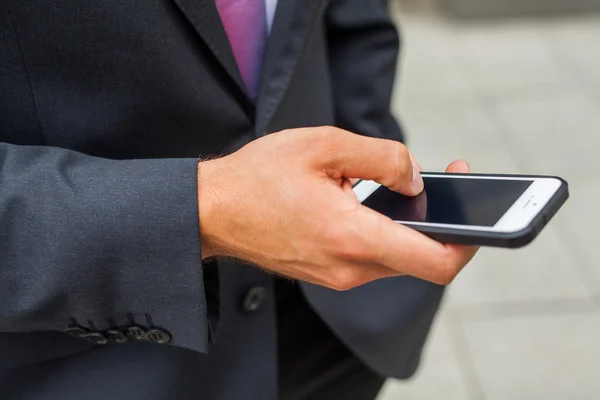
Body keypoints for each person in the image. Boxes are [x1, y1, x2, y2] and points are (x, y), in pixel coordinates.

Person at [0, 0, 477, 399]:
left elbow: (353, 24)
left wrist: (367, 151)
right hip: (100, 362)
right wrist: (207, 208)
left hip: (334, 335)